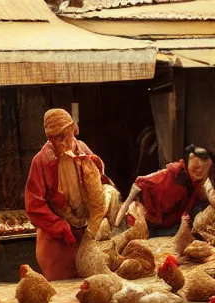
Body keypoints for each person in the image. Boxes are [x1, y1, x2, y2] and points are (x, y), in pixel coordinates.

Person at [25, 108, 118, 281]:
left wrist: (96, 216)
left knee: (93, 275)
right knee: (60, 278)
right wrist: (59, 225)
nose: (57, 142)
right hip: (59, 230)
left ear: (72, 130)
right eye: (52, 138)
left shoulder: (82, 149)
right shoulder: (41, 160)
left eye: (62, 136)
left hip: (86, 226)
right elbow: (33, 205)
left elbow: (99, 183)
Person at [116, 144, 213, 236]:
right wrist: (126, 205)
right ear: (190, 159)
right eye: (196, 170)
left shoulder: (195, 184)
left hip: (174, 219)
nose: (199, 174)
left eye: (202, 172)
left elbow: (206, 194)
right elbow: (139, 183)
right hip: (151, 220)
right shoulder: (171, 173)